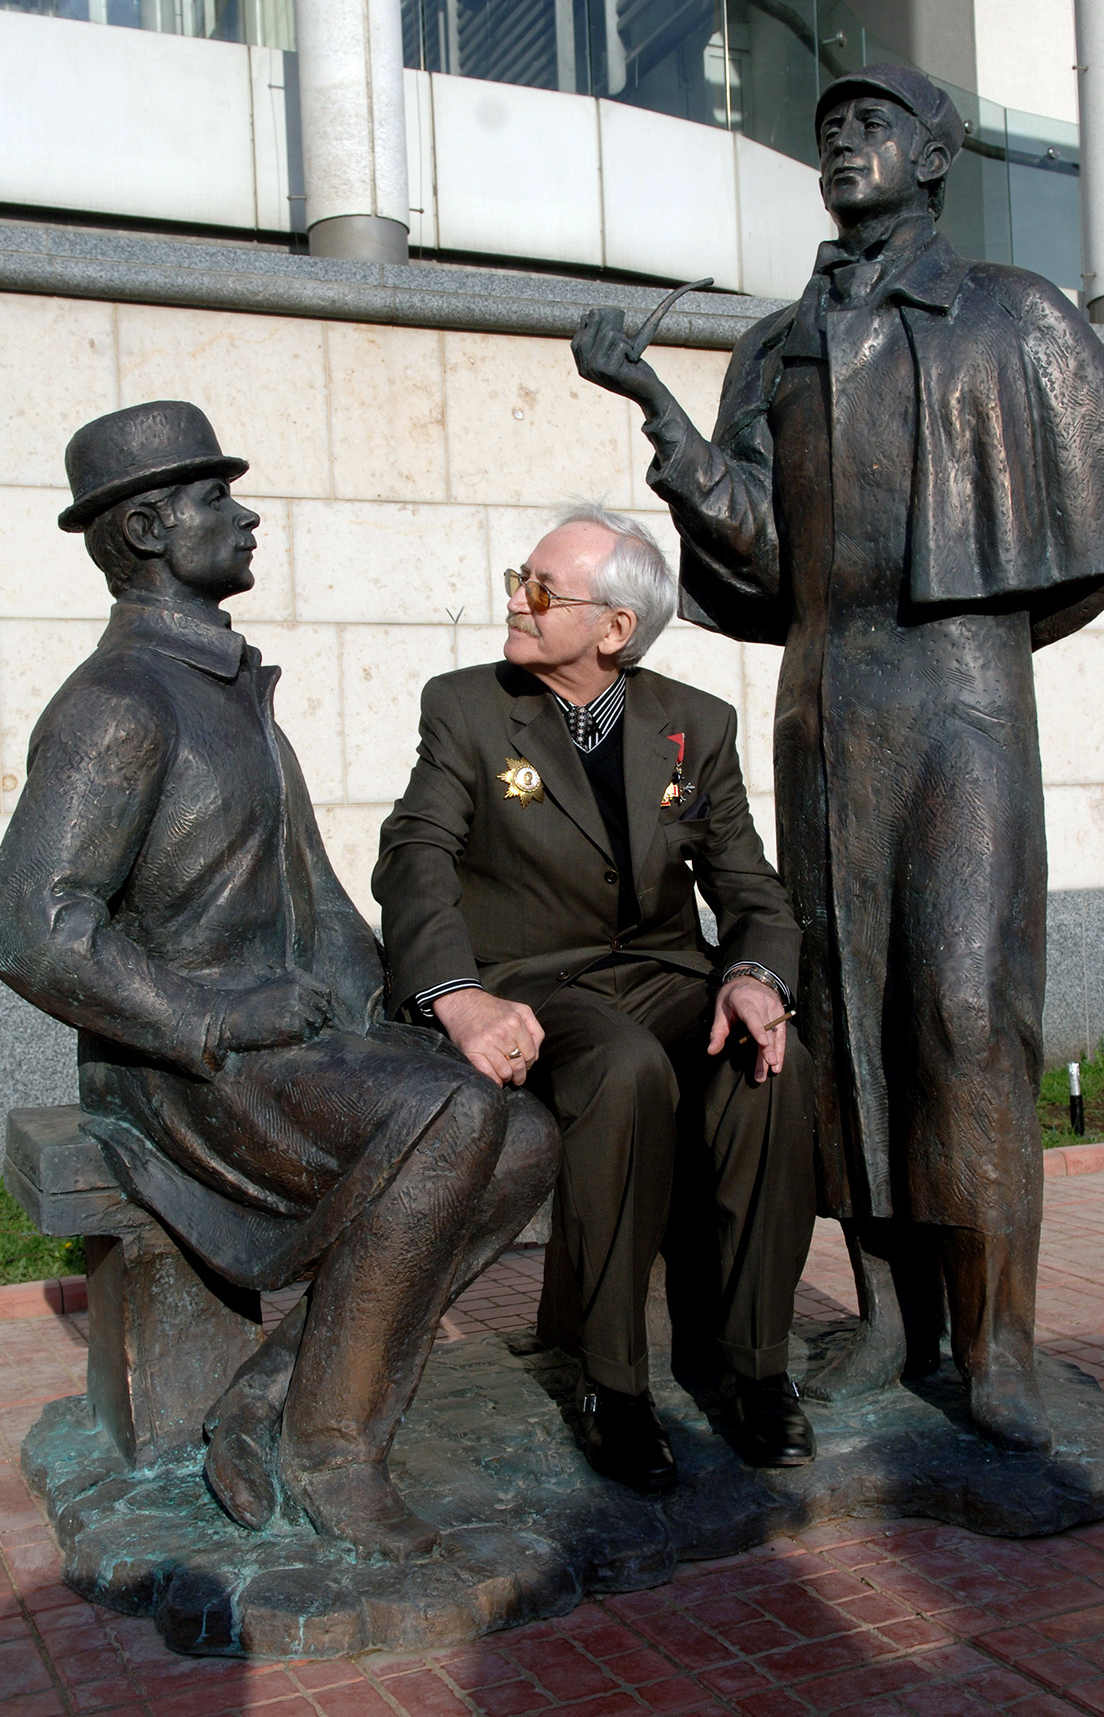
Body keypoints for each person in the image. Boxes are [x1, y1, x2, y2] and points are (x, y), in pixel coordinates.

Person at [570, 65, 1104, 1452]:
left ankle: (1002, 1345)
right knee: (841, 1019)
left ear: (936, 155)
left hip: (961, 705)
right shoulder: (777, 345)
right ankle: (891, 1324)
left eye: (875, 123)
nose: (844, 139)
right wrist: (659, 416)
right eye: (830, 127)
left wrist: (978, 633)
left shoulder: (1016, 316)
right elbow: (761, 558)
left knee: (965, 1014)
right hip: (822, 708)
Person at [0, 401, 559, 1560]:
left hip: (286, 1048)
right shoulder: (120, 704)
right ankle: (330, 1450)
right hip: (177, 1067)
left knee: (528, 1135)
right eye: (214, 500)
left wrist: (427, 1007)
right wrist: (209, 1014)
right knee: (449, 1117)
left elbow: (319, 904)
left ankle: (270, 1397)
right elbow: (26, 926)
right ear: (147, 525)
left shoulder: (234, 694)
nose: (244, 518)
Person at [374, 504, 816, 1493]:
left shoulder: (692, 727)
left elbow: (746, 887)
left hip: (661, 976)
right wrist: (454, 996)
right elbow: (415, 858)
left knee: (772, 1062)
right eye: (517, 579)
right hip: (531, 985)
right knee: (621, 1071)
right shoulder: (466, 708)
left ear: (614, 628)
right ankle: (612, 1385)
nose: (516, 601)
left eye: (541, 589)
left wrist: (751, 976)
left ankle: (756, 1368)